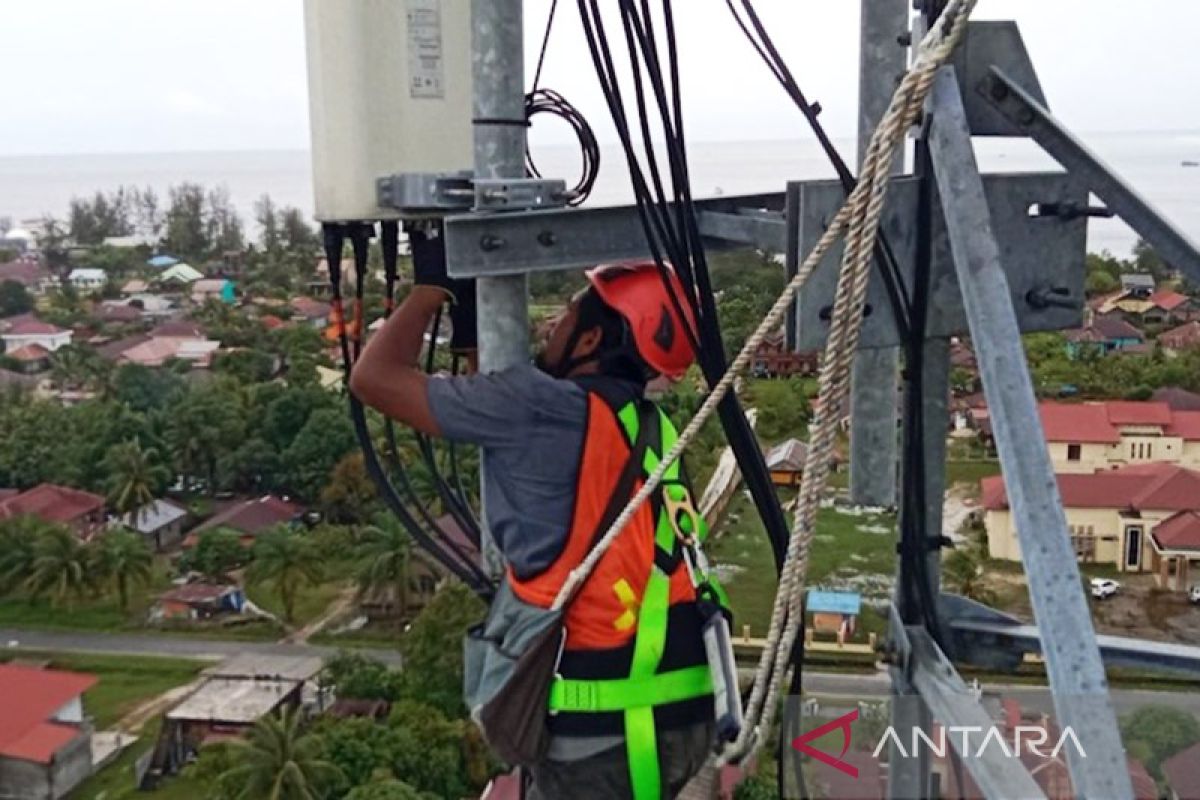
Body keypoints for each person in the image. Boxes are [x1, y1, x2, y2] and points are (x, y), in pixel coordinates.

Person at [351, 227, 720, 799]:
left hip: (598, 737)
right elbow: (498, 409)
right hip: (684, 714)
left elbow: (373, 379)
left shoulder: (536, 405)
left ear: (593, 337)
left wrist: (429, 290)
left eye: (569, 315)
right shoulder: (649, 427)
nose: (553, 325)